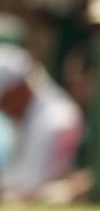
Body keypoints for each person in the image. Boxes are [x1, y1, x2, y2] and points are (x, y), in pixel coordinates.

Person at [0, 44, 83, 202]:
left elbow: (30, 187)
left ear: (19, 89)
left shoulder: (56, 119)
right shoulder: (29, 117)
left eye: (3, 100)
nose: (3, 109)